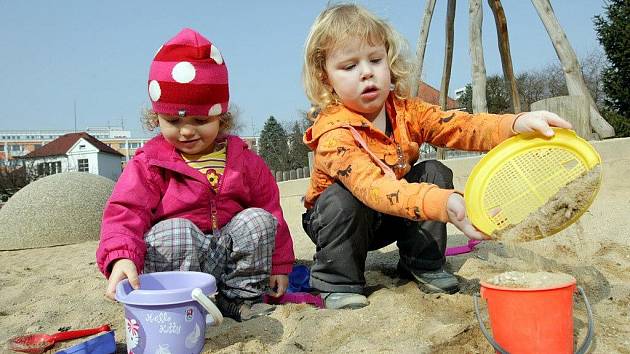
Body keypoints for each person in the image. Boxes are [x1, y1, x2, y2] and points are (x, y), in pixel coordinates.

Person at [300, 4, 572, 309]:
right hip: (342, 223)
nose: (366, 73)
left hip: (394, 211)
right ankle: (338, 280)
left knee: (433, 172)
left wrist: (513, 124)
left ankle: (423, 262)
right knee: (342, 200)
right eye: (349, 66)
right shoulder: (334, 133)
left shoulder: (407, 111)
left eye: (375, 60)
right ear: (326, 78)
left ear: (388, 60)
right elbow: (374, 189)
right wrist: (445, 203)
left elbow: (461, 126)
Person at [96, 28, 295, 321]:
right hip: (177, 267)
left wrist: (279, 264)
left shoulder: (243, 161)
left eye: (200, 120)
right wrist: (122, 255)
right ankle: (185, 305)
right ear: (156, 118)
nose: (187, 130)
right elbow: (126, 210)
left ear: (221, 118)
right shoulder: (150, 164)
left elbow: (271, 208)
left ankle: (238, 298)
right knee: (176, 230)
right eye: (173, 121)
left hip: (227, 257)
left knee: (259, 220)